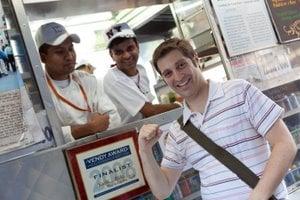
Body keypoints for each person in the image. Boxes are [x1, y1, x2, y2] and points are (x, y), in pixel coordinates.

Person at [138, 38, 297, 200]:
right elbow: (162, 190)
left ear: (195, 59)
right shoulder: (178, 131)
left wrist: (258, 196)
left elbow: (285, 144)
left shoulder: (239, 92)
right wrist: (145, 151)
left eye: (181, 65)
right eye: (168, 73)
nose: (178, 76)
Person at [35, 22, 121, 143]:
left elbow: (114, 118)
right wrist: (88, 128)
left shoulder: (88, 80)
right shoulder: (38, 92)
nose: (69, 56)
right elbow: (44, 137)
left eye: (71, 48)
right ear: (43, 57)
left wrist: (71, 132)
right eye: (60, 52)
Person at [103, 23, 180, 124]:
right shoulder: (113, 79)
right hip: (128, 135)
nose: (126, 55)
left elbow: (149, 107)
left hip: (147, 128)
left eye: (130, 48)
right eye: (119, 52)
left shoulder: (141, 70)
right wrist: (179, 104)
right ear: (111, 55)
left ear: (137, 46)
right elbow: (150, 111)